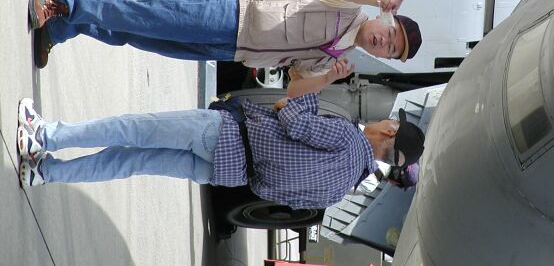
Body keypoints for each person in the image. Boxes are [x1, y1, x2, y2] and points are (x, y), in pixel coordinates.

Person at [16, 94, 426, 210]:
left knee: (133, 129)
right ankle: (45, 172)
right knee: (132, 160)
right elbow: (270, 194)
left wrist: (304, 97)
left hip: (226, 135)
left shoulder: (350, 138)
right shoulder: (340, 192)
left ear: (390, 130)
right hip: (225, 173)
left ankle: (46, 136)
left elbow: (293, 121)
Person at [27, 0, 422, 98]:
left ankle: (64, 25)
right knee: (145, 15)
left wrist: (328, 79)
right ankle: (63, 1)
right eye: (390, 34)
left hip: (230, 48)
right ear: (384, 18)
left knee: (138, 34)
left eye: (391, 49)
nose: (383, 42)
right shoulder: (350, 7)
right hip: (232, 12)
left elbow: (294, 88)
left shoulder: (338, 58)